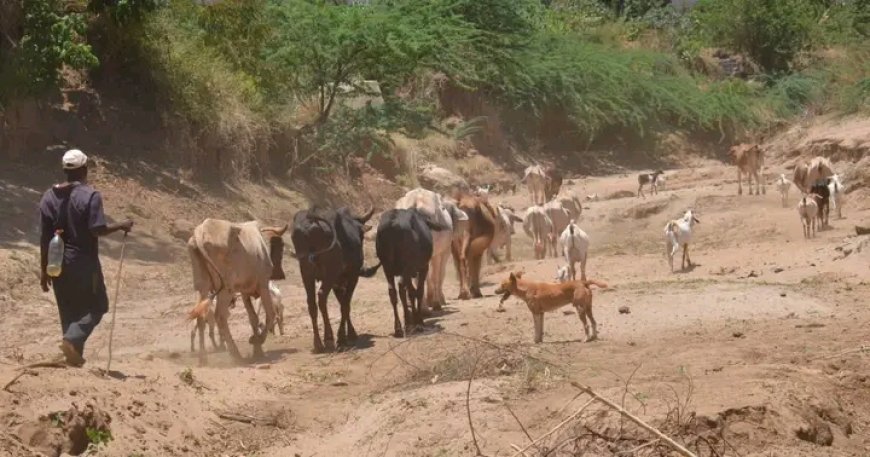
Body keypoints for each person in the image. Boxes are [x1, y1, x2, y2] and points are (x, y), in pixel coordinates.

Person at [39, 149, 133, 366]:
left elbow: (44, 237)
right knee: (98, 305)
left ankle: (72, 357)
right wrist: (121, 225)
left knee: (69, 310)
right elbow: (97, 229)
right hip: (83, 262)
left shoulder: (48, 197)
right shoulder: (90, 195)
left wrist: (44, 270)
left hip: (56, 262)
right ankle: (72, 341)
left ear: (64, 170)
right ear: (84, 169)